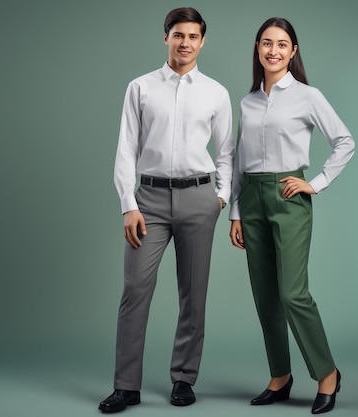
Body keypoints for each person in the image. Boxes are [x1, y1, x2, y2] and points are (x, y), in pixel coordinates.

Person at [99, 7, 233, 413]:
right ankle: (126, 386)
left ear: (202, 41)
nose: (185, 42)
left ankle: (183, 379)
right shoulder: (139, 87)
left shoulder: (216, 92)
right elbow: (125, 149)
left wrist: (221, 198)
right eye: (178, 35)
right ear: (165, 38)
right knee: (135, 291)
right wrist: (128, 204)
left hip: (198, 198)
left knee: (193, 295)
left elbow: (227, 152)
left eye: (193, 36)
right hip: (149, 202)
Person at [229, 17, 355, 414]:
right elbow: (237, 159)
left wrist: (314, 183)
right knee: (265, 296)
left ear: (293, 51)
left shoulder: (307, 95)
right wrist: (235, 212)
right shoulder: (248, 101)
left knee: (292, 293)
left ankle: (327, 373)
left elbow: (344, 141)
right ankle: (280, 377)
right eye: (267, 43)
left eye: (282, 44)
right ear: (257, 47)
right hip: (251, 198)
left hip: (289, 197)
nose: (273, 51)